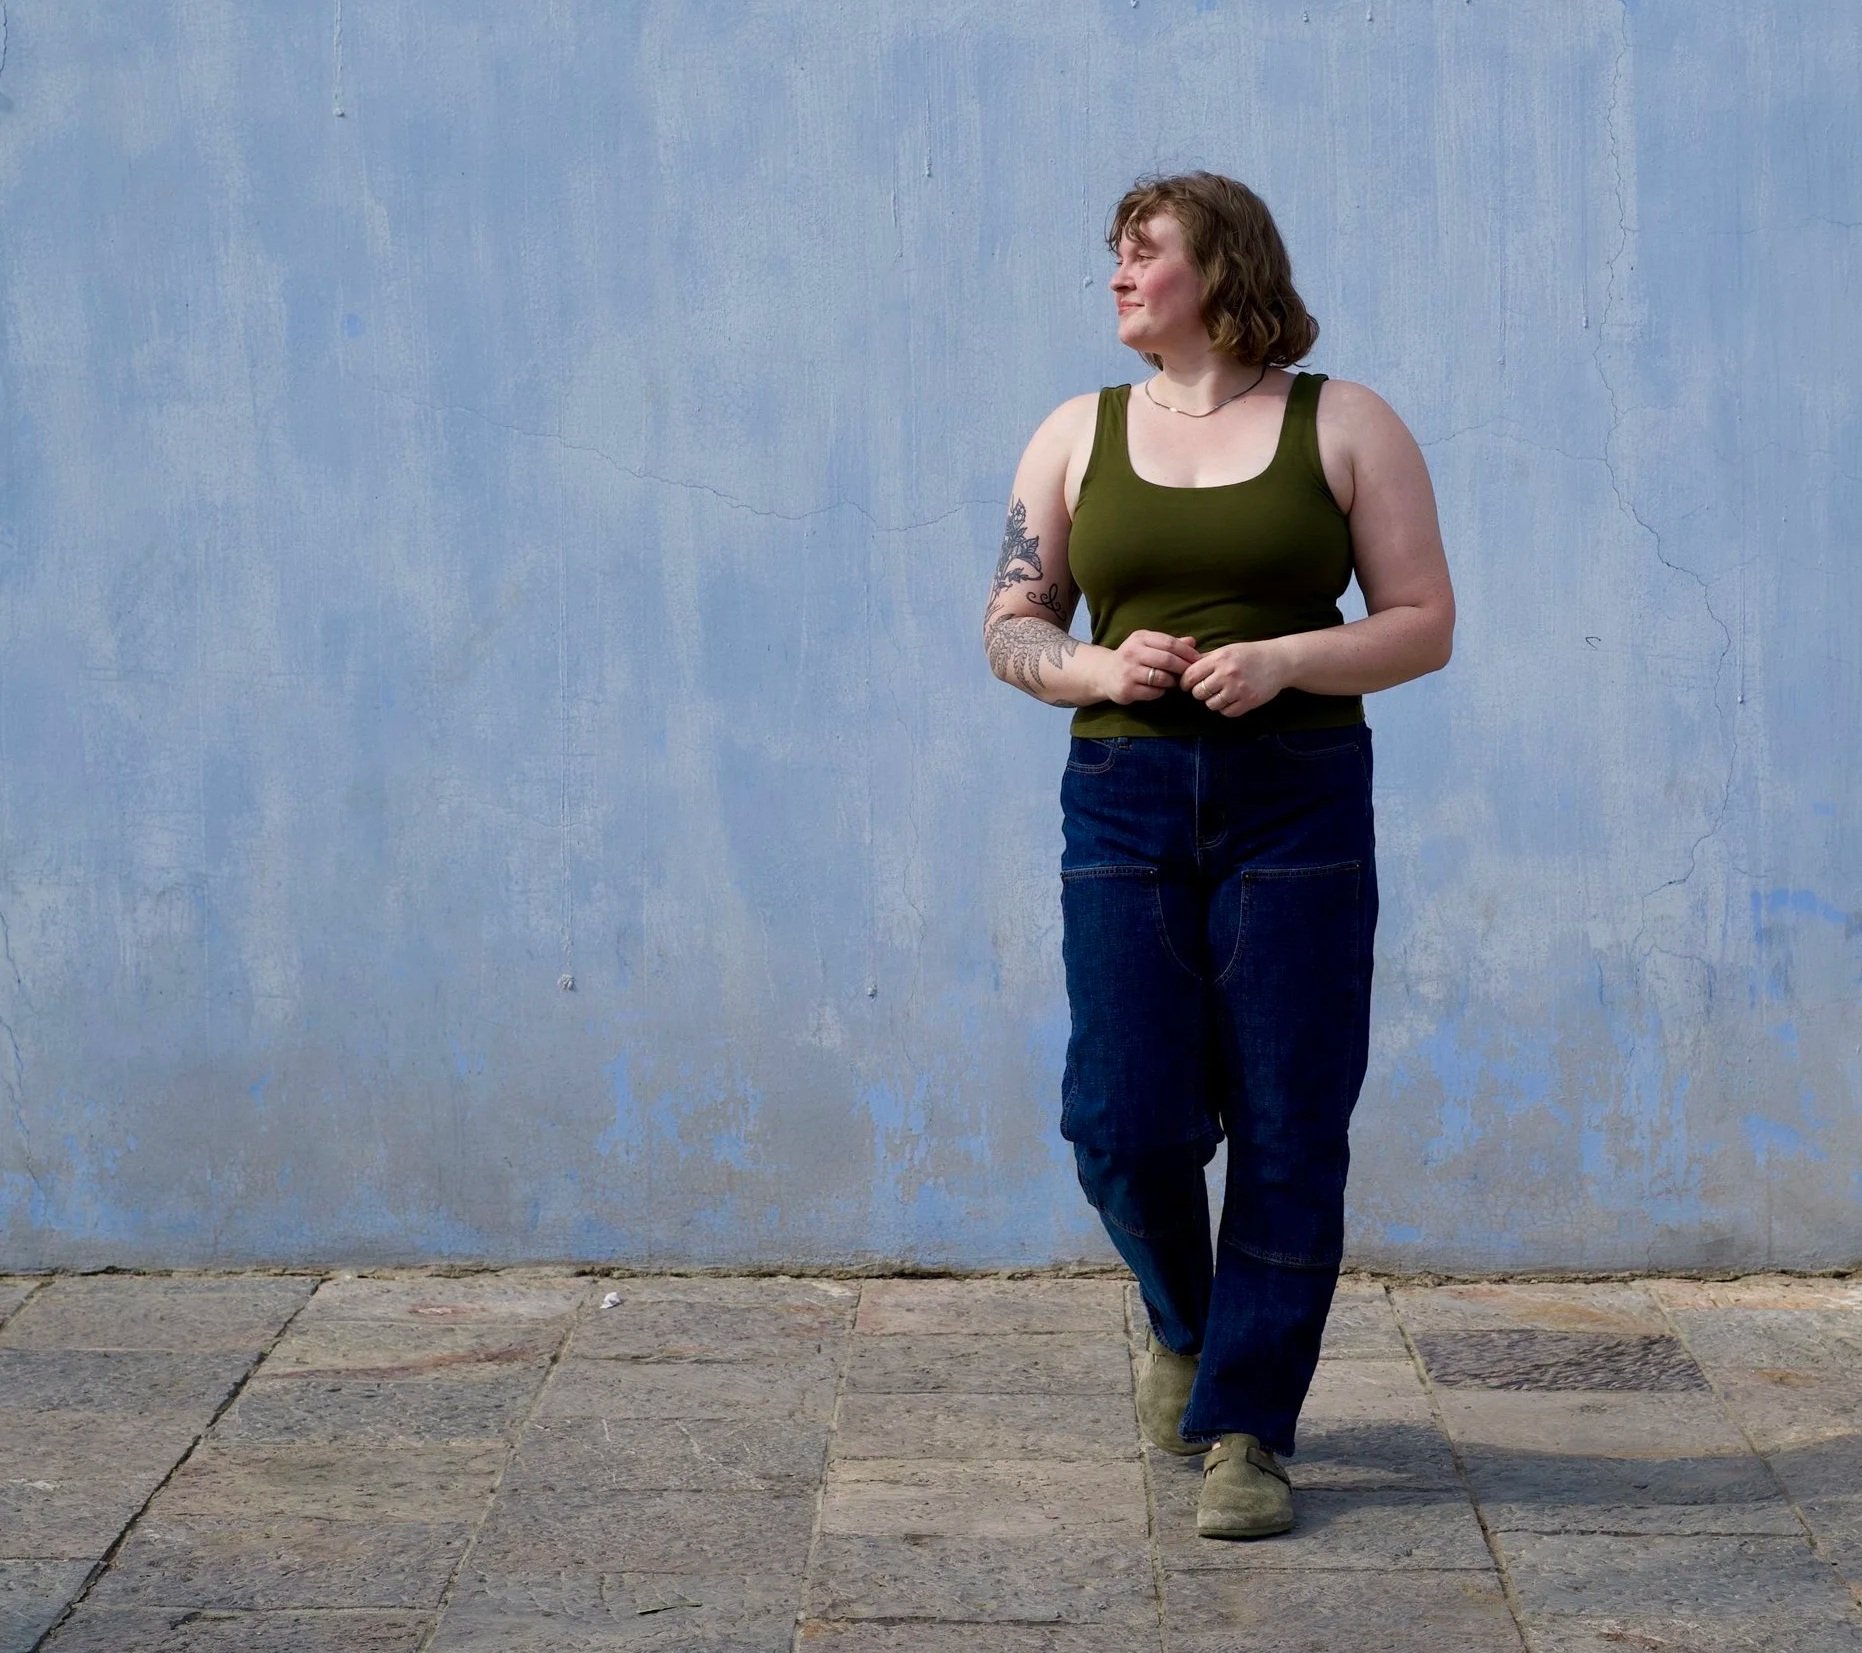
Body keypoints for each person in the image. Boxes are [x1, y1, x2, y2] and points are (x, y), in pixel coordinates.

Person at [982, 171, 1454, 1540]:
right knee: (1121, 1123)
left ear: (1221, 267)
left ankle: (1248, 1423)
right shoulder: (1077, 433)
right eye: (1114, 256)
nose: (1119, 277)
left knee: (1290, 1120)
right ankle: (1185, 1327)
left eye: (1144, 253)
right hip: (1123, 793)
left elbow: (1421, 621)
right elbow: (1008, 623)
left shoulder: (1343, 422)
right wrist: (1089, 665)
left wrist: (1285, 658)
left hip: (1296, 796)